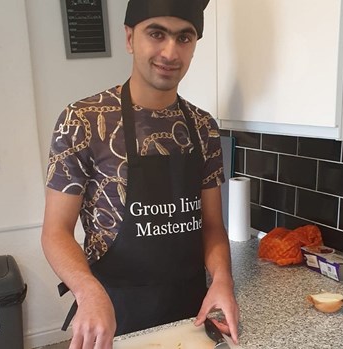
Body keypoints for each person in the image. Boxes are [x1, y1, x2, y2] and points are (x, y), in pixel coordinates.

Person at [41, 0, 239, 348]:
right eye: (156, 34)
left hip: (191, 312)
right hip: (112, 311)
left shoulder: (203, 127)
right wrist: (87, 293)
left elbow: (211, 225)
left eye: (184, 38)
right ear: (130, 38)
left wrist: (222, 280)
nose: (170, 51)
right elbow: (55, 231)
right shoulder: (83, 121)